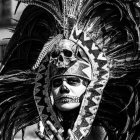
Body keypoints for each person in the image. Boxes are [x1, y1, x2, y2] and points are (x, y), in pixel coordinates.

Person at [0, 0, 140, 140]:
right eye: (56, 83)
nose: (64, 88)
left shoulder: (112, 134)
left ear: (94, 85)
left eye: (73, 81)